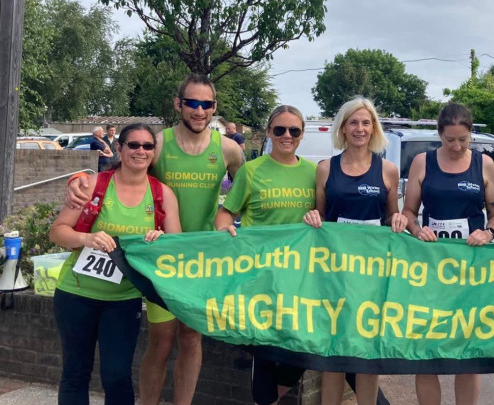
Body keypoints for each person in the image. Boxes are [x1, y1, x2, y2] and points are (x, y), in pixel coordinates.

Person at [65, 74, 245, 405]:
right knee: (161, 340)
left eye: (206, 104)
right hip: (161, 258)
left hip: (202, 260)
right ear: (179, 104)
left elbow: (245, 196)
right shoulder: (159, 143)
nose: (199, 110)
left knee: (192, 338)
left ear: (214, 108)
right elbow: (122, 172)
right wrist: (81, 178)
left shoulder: (230, 149)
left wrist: (229, 224)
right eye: (192, 102)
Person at [49, 123, 181, 405]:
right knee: (75, 373)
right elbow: (58, 231)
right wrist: (86, 237)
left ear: (153, 153)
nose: (141, 151)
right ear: (119, 149)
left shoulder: (162, 195)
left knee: (118, 376)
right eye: (133, 145)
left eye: (147, 146)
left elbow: (176, 249)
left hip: (124, 299)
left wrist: (161, 240)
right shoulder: (94, 184)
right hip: (76, 294)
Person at [302, 97, 408, 405]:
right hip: (334, 272)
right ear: (343, 128)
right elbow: (320, 215)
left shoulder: (388, 170)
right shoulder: (325, 169)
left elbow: (391, 217)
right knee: (334, 351)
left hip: (373, 275)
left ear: (373, 128)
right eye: (353, 122)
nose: (360, 129)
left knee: (366, 352)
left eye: (366, 122)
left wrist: (398, 218)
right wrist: (313, 217)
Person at [401, 102, 494, 405]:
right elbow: (408, 211)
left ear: (471, 135)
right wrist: (417, 230)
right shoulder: (422, 162)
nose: (457, 146)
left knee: (467, 350)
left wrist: (488, 233)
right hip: (431, 267)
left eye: (463, 140)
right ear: (439, 135)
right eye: (449, 140)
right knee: (427, 349)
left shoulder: (484, 164)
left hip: (471, 267)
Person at [216, 105, 316, 405]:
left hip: (301, 279)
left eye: (294, 131)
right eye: (280, 130)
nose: (287, 136)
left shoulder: (314, 172)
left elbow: (327, 219)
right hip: (261, 278)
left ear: (302, 134)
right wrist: (225, 234)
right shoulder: (252, 170)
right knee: (265, 357)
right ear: (269, 132)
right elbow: (226, 214)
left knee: (302, 351)